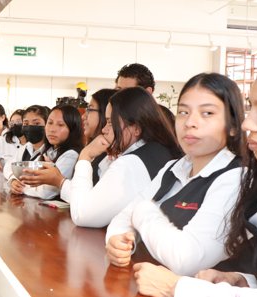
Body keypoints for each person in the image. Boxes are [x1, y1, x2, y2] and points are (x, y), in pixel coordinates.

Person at [131, 51, 257, 297]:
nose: (249, 124)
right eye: (183, 112)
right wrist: (241, 281)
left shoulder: (236, 177)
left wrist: (177, 288)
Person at [105, 73, 246, 277]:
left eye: (207, 113)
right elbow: (122, 218)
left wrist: (143, 212)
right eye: (183, 112)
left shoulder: (236, 177)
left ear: (233, 126)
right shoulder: (174, 168)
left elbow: (185, 260)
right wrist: (118, 240)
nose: (190, 122)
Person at [22, 87, 182, 227]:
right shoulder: (159, 150)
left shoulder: (130, 163)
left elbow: (83, 215)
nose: (104, 129)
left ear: (135, 128)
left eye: (110, 123)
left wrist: (85, 156)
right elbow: (95, 200)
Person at [12, 104, 83, 199]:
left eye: (60, 125)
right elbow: (29, 176)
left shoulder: (71, 155)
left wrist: (21, 188)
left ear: (72, 129)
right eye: (50, 123)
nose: (52, 129)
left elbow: (46, 192)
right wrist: (13, 182)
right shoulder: (49, 150)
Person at [115, 62, 176, 127]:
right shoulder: (116, 113)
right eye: (119, 90)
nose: (121, 96)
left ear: (147, 92)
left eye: (129, 91)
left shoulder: (163, 118)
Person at [83, 89, 117, 184]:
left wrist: (84, 156)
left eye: (89, 109)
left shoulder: (112, 156)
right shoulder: (95, 150)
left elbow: (84, 196)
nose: (83, 116)